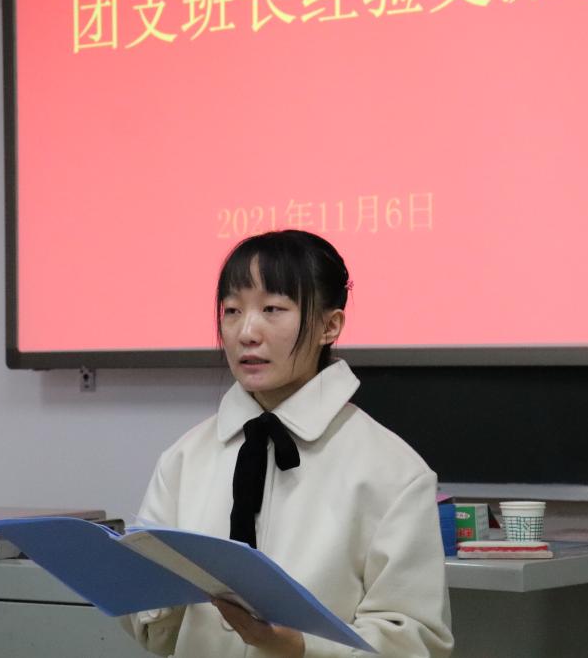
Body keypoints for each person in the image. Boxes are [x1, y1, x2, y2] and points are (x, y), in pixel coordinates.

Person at [123, 230, 453, 658]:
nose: (246, 332)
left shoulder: (393, 472)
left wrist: (299, 647)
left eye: (273, 309)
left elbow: (416, 641)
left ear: (330, 326)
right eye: (232, 310)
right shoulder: (185, 458)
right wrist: (145, 593)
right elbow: (155, 635)